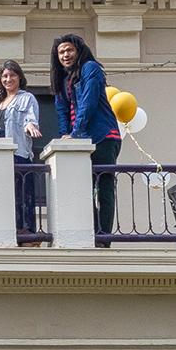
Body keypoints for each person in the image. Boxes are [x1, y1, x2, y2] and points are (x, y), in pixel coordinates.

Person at [52, 34, 122, 230]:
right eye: (61, 52)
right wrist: (65, 135)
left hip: (103, 137)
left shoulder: (90, 68)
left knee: (104, 188)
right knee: (83, 188)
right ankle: (91, 232)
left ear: (79, 51)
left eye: (69, 50)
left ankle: (103, 236)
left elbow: (88, 103)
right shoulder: (62, 79)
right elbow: (62, 110)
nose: (65, 55)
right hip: (81, 140)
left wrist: (75, 134)